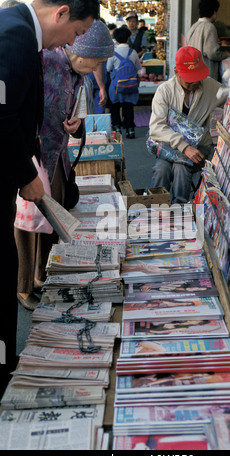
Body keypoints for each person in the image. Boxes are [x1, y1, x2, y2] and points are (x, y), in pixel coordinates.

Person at [0, 0, 99, 397]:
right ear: (61, 13)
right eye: (76, 33)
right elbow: (3, 117)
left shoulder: (22, 32)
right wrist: (27, 175)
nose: (71, 43)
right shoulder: (16, 34)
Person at [14, 20, 114, 311]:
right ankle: (22, 286)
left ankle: (41, 274)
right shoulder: (45, 60)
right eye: (96, 62)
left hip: (57, 154)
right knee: (27, 221)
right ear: (82, 51)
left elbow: (79, 113)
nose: (97, 68)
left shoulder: (79, 74)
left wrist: (78, 125)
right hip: (30, 152)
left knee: (52, 214)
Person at [149, 46, 228, 203]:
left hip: (199, 147)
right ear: (176, 72)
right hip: (170, 147)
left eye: (196, 78)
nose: (193, 83)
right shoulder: (164, 91)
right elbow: (156, 127)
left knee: (181, 168)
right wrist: (183, 145)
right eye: (188, 80)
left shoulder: (211, 87)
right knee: (161, 169)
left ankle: (182, 209)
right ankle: (158, 207)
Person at [107, 26, 141, 138]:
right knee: (128, 106)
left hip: (116, 85)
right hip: (130, 85)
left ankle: (116, 127)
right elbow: (137, 68)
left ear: (115, 39)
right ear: (128, 38)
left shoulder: (113, 52)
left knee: (115, 106)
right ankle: (130, 129)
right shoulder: (133, 52)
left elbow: (108, 68)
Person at [186, 0, 230, 81]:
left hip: (195, 71)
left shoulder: (194, 26)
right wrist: (225, 54)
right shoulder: (209, 27)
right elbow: (212, 53)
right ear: (214, 12)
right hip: (206, 74)